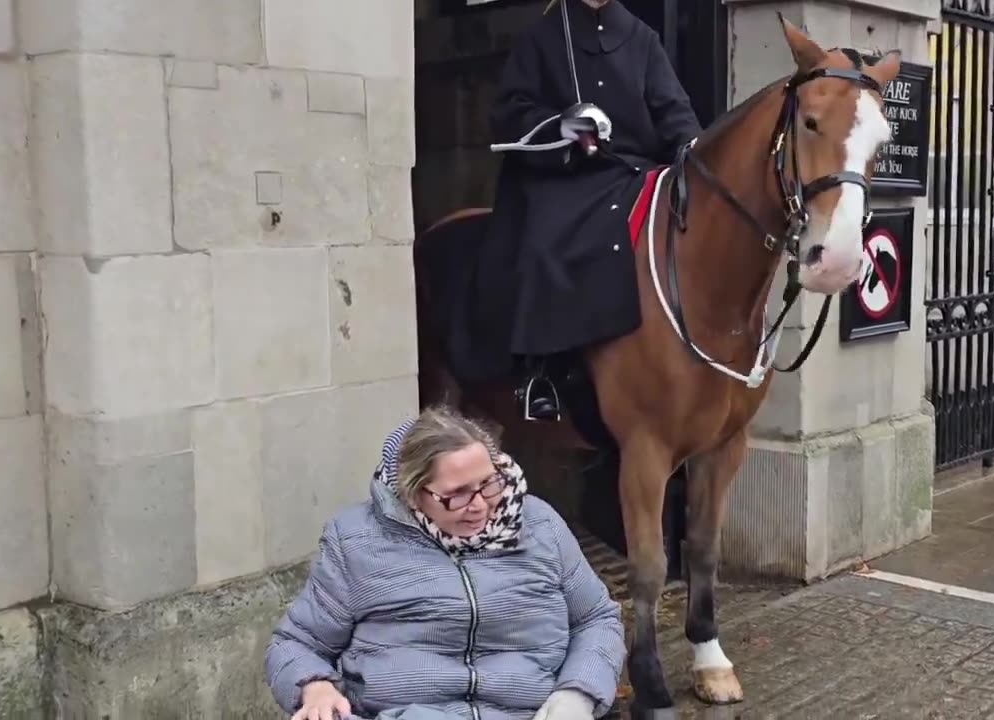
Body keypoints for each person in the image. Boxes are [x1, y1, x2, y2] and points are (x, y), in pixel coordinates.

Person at [263, 405, 626, 720]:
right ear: (412, 494)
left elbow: (596, 618)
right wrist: (314, 688)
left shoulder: (540, 524)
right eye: (457, 494)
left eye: (488, 483)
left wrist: (577, 694)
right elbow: (296, 644)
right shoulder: (356, 540)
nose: (481, 504)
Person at [461, 0, 704, 421]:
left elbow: (673, 111)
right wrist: (562, 124)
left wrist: (695, 150)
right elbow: (509, 113)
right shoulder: (539, 38)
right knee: (543, 243)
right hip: (564, 174)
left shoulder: (643, 39)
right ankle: (539, 370)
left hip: (633, 172)